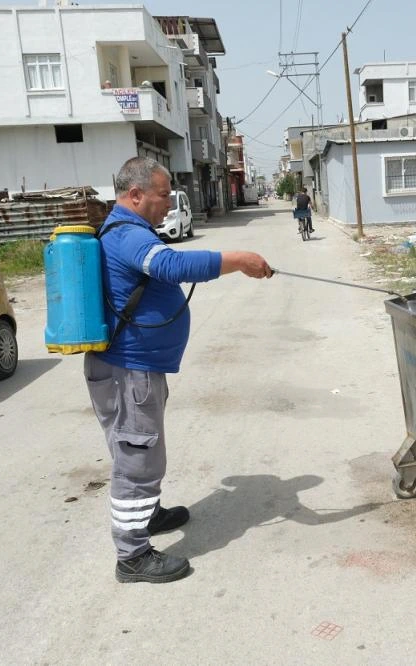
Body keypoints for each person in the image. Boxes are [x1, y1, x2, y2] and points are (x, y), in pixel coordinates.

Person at [85, 156, 273, 584]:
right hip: (128, 370)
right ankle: (132, 556)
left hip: (135, 369)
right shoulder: (127, 234)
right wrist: (237, 259)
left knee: (139, 449)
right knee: (137, 459)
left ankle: (147, 515)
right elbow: (171, 267)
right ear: (135, 195)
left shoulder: (128, 229)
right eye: (163, 194)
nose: (169, 204)